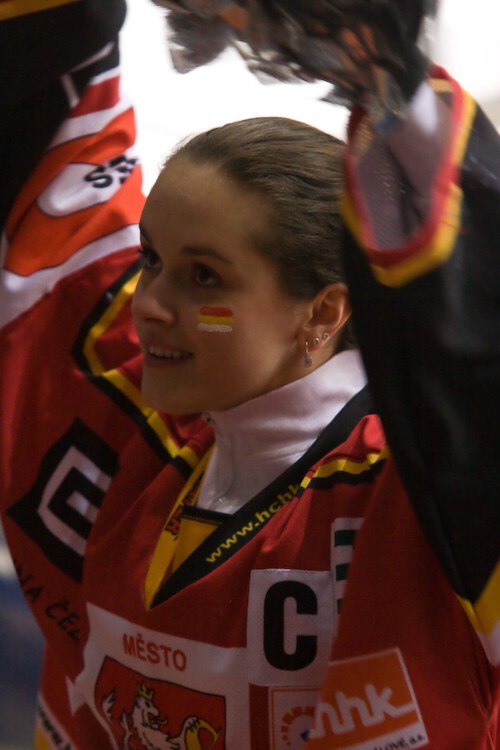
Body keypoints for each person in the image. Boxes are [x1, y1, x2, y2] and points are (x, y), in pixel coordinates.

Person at [1, 2, 499, 749]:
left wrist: (398, 89)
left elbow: (472, 354)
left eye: (205, 277)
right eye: (151, 260)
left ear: (324, 312)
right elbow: (46, 96)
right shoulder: (126, 414)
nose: (150, 305)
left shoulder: (412, 499)